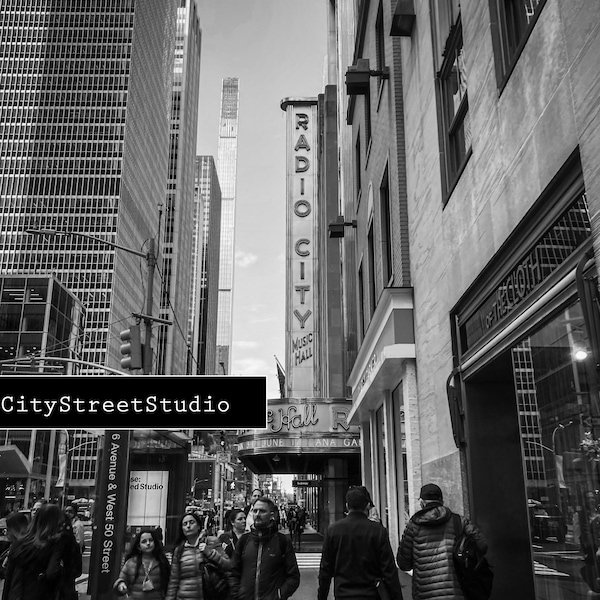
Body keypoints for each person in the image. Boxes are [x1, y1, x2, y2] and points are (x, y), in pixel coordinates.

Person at [397, 483, 488, 600]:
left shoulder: (413, 525)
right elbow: (482, 545)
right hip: (456, 592)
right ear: (442, 501)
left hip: (425, 594)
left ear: (422, 502)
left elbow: (403, 564)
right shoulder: (458, 520)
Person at [317, 486, 402, 600]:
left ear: (347, 505)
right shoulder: (378, 530)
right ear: (367, 505)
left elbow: (325, 570)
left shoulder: (333, 530)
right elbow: (389, 570)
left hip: (343, 593)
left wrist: (322, 596)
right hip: (371, 594)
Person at [230, 497, 299, 600]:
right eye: (255, 511)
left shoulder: (282, 541)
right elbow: (232, 572)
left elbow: (293, 576)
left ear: (271, 515)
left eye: (262, 511)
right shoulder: (244, 540)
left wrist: (279, 595)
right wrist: (238, 594)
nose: (257, 514)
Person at [1, 503, 64, 600]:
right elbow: (52, 573)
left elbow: (8, 579)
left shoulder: (18, 544)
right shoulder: (53, 545)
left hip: (16, 595)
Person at [165, 511, 231, 600]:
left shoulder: (211, 542)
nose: (188, 526)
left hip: (210, 595)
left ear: (199, 526)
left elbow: (228, 565)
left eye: (191, 522)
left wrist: (210, 552)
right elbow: (174, 580)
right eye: (185, 524)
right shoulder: (179, 550)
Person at [114, 529, 171, 600]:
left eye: (150, 540)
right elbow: (122, 579)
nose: (148, 543)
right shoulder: (131, 562)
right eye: (144, 541)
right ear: (138, 546)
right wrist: (121, 584)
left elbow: (169, 584)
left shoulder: (162, 562)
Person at [0, 513, 28, 581]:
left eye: (7, 529)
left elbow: (11, 574)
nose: (6, 533)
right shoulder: (11, 545)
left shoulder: (22, 548)